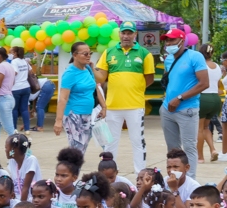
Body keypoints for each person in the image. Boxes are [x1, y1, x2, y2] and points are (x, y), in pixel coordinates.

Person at [94, 23, 155, 173]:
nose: (126, 36)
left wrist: (135, 89)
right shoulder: (109, 52)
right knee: (110, 143)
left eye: (130, 33)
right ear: (119, 34)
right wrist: (91, 67)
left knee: (137, 141)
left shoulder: (144, 53)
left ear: (135, 35)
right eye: (123, 33)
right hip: (113, 106)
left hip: (135, 106)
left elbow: (150, 78)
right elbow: (101, 77)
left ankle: (140, 173)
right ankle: (109, 172)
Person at [160, 29, 208, 176]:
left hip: (187, 109)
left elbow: (204, 83)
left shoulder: (195, 56)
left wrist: (180, 98)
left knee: (189, 148)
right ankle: (174, 178)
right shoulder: (168, 59)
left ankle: (190, 181)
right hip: (167, 109)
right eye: (167, 40)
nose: (168, 43)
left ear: (182, 41)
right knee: (173, 149)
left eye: (172, 40)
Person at [53, 41, 103, 153]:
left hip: (88, 114)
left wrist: (104, 107)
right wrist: (58, 121)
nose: (89, 56)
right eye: (85, 54)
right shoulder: (70, 73)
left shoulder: (88, 69)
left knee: (82, 148)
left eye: (90, 53)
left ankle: (72, 170)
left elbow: (96, 87)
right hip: (74, 116)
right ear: (74, 55)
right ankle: (70, 170)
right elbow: (63, 98)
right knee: (77, 150)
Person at [196, 44, 223, 163]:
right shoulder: (217, 66)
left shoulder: (201, 65)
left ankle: (200, 157)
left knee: (199, 129)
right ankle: (213, 150)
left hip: (203, 97)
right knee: (206, 127)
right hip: (215, 99)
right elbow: (217, 85)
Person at [5, 133, 41, 201]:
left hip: (30, 201)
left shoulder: (31, 160)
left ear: (13, 149)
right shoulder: (12, 161)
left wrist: (21, 207)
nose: (5, 150)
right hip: (17, 200)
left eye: (6, 147)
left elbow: (26, 188)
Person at [9, 47, 33, 133]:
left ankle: (14, 128)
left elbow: (15, 72)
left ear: (15, 53)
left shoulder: (14, 62)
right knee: (24, 109)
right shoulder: (24, 61)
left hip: (16, 88)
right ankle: (27, 129)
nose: (10, 54)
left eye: (11, 52)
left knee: (14, 109)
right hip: (26, 87)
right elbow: (31, 71)